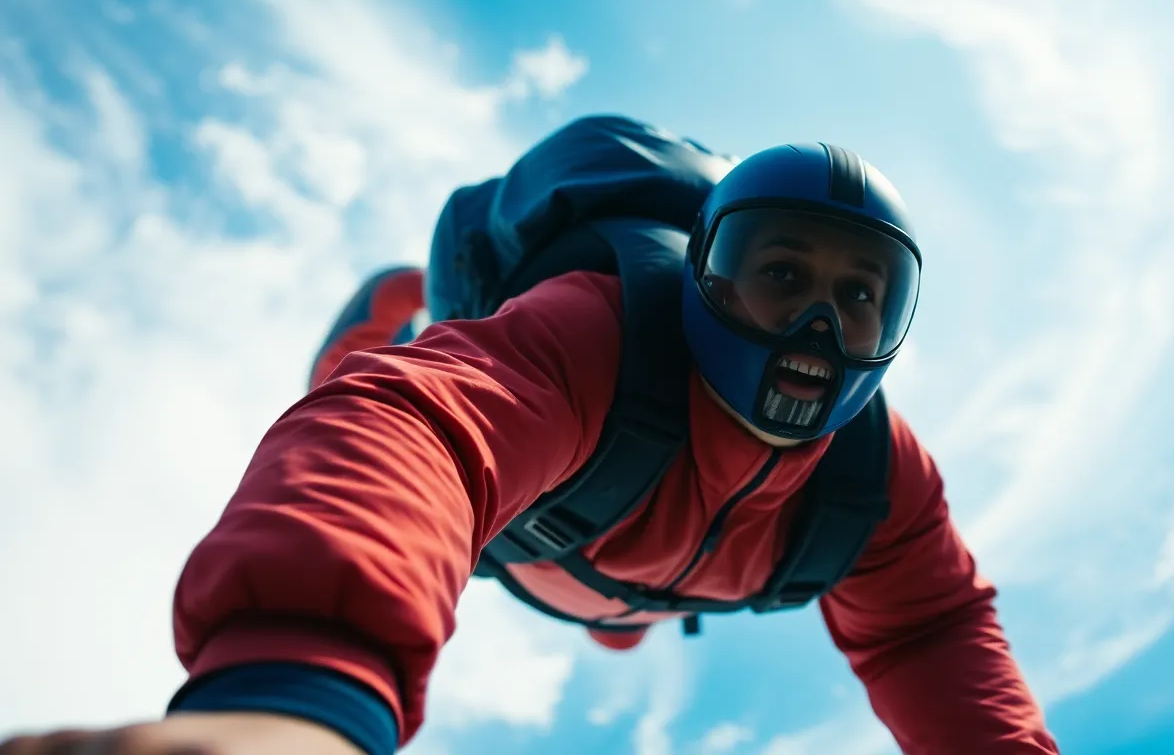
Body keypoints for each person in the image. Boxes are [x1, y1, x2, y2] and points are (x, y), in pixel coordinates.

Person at [0, 116, 1059, 755]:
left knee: (618, 622)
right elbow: (421, 433)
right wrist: (297, 698)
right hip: (517, 530)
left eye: (863, 298)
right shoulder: (605, 330)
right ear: (701, 276)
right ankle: (407, 304)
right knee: (370, 375)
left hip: (627, 581)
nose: (818, 330)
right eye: (779, 276)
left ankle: (618, 619)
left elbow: (930, 634)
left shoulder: (882, 475)